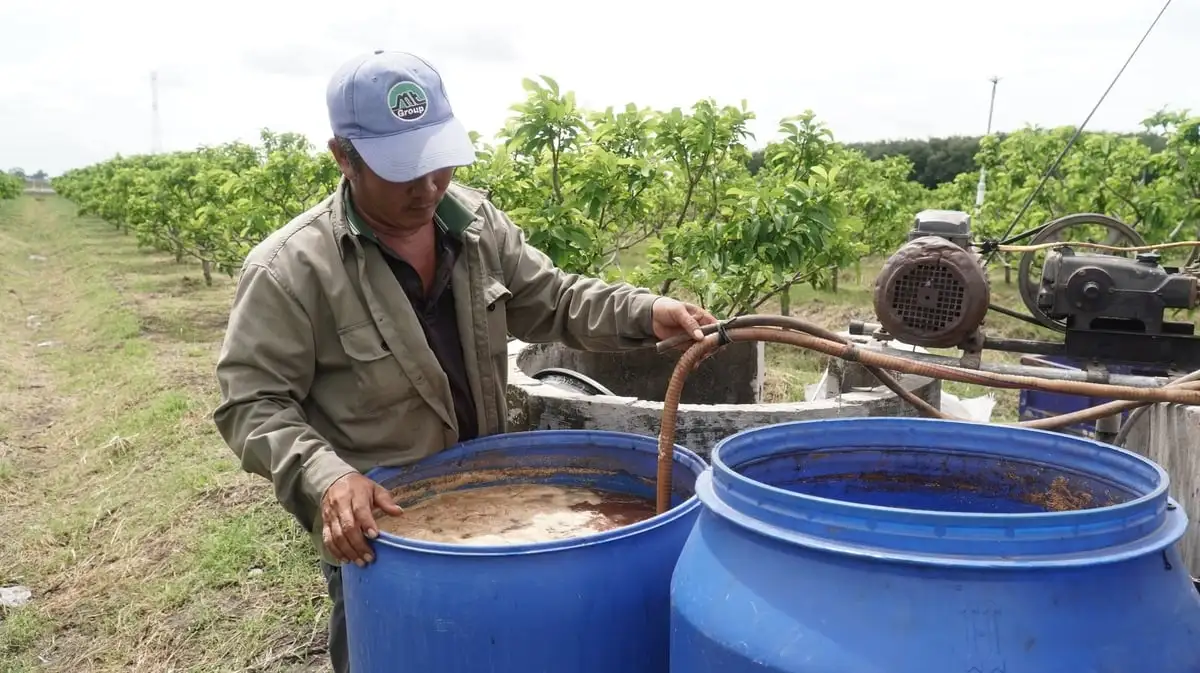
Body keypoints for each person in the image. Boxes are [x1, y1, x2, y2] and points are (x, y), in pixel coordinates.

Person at [211, 49, 717, 673]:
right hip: (387, 529)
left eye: (436, 163)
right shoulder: (291, 270)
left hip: (494, 498)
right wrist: (328, 479)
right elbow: (250, 403)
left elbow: (554, 299)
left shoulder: (475, 224)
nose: (428, 187)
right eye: (403, 171)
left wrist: (644, 311)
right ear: (344, 156)